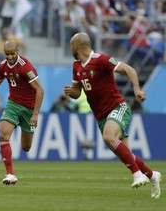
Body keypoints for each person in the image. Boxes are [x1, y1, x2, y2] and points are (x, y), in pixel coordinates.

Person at [64, 32, 161, 199]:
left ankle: (137, 174)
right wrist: (71, 92)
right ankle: (153, 175)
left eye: (70, 46)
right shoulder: (77, 66)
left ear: (75, 47)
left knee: (108, 137)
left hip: (118, 107)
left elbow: (128, 69)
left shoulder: (101, 60)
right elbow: (77, 93)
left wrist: (137, 89)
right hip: (101, 117)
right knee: (127, 155)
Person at [0, 40, 44, 185]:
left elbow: (40, 90)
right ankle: (10, 174)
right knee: (3, 134)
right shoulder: (3, 66)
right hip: (13, 105)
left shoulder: (25, 67)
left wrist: (35, 114)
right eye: (6, 54)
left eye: (12, 54)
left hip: (29, 109)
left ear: (18, 52)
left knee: (26, 147)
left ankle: (12, 170)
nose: (9, 57)